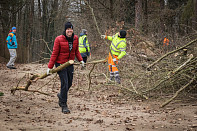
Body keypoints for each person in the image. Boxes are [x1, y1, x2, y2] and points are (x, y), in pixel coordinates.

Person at [47, 22, 85, 114]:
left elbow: (76, 51)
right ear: (65, 30)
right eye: (68, 29)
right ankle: (63, 104)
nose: (69, 31)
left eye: (71, 29)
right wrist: (50, 67)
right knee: (65, 82)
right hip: (60, 64)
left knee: (70, 83)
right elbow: (54, 53)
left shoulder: (75, 38)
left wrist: (81, 60)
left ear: (72, 30)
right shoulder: (58, 39)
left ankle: (61, 95)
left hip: (69, 64)